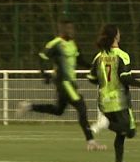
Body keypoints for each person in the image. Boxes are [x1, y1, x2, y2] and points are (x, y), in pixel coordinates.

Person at [17, 19, 104, 151]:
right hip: (63, 82)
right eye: (68, 28)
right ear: (61, 30)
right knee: (81, 106)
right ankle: (91, 141)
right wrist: (44, 73)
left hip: (70, 83)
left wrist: (94, 67)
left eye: (72, 28)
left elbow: (80, 60)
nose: (71, 31)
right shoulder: (55, 44)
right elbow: (41, 57)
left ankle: (29, 106)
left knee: (59, 110)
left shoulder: (74, 44)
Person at [86, 24, 140, 162]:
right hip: (120, 100)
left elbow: (91, 78)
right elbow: (125, 78)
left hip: (104, 100)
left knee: (121, 133)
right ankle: (106, 124)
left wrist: (104, 81)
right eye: (118, 33)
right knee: (130, 131)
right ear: (115, 36)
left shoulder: (99, 56)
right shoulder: (122, 55)